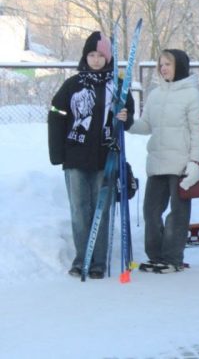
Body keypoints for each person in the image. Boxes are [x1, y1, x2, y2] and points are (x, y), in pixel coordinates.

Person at [47, 31, 135, 279]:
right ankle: (80, 258)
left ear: (108, 58)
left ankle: (97, 261)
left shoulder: (117, 86)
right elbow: (56, 114)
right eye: (92, 55)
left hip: (105, 157)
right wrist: (58, 153)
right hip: (75, 157)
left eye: (100, 55)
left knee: (101, 209)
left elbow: (128, 118)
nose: (96, 60)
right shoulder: (73, 84)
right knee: (79, 210)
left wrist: (124, 118)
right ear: (86, 56)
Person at [123, 49, 199, 273]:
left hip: (181, 164)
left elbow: (198, 131)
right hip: (157, 162)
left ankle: (172, 257)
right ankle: (156, 255)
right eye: (161, 64)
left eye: (168, 63)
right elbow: (146, 125)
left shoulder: (192, 95)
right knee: (151, 211)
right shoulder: (155, 95)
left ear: (179, 65)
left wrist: (196, 162)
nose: (163, 68)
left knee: (177, 214)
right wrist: (128, 123)